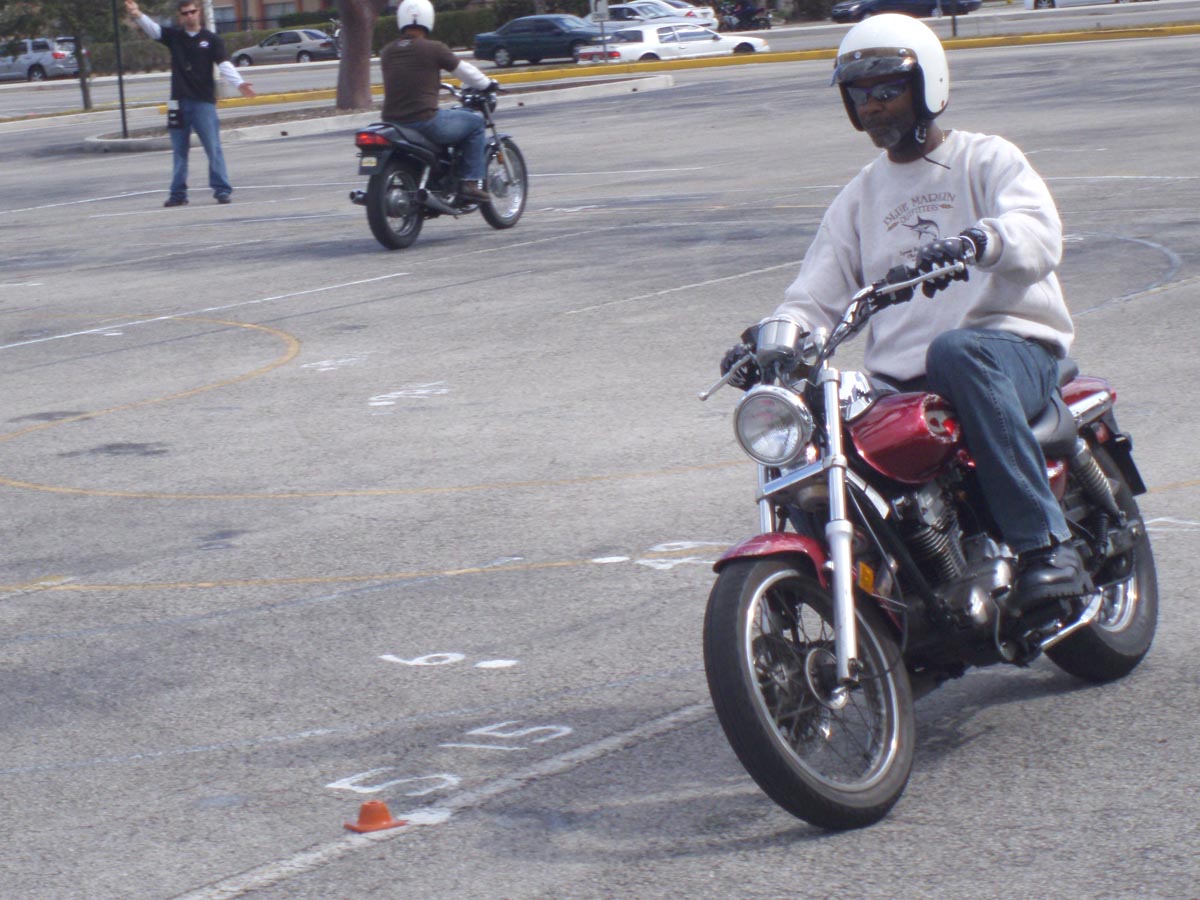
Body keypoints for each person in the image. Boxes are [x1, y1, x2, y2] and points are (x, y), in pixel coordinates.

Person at [721, 14, 1089, 617]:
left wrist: (982, 241)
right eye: (860, 95)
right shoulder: (860, 197)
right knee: (817, 415)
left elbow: (1038, 232)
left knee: (955, 350)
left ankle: (1046, 545)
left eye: (886, 90)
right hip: (904, 382)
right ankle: (885, 599)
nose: (872, 107)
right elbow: (813, 297)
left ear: (927, 87)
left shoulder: (985, 159)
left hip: (1011, 349)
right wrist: (771, 343)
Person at [125, 0, 256, 207]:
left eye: (192, 12)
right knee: (179, 152)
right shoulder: (175, 37)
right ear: (180, 16)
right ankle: (178, 194)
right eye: (185, 13)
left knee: (213, 148)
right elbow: (154, 30)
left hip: (203, 103)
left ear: (199, 12)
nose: (189, 16)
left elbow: (223, 63)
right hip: (177, 103)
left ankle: (222, 190)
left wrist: (239, 83)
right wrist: (137, 14)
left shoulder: (211, 39)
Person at [381, 0, 498, 204]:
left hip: (392, 122)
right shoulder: (434, 48)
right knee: (475, 123)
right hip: (424, 120)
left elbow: (407, 75)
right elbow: (464, 71)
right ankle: (469, 183)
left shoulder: (387, 51)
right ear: (429, 19)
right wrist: (487, 84)